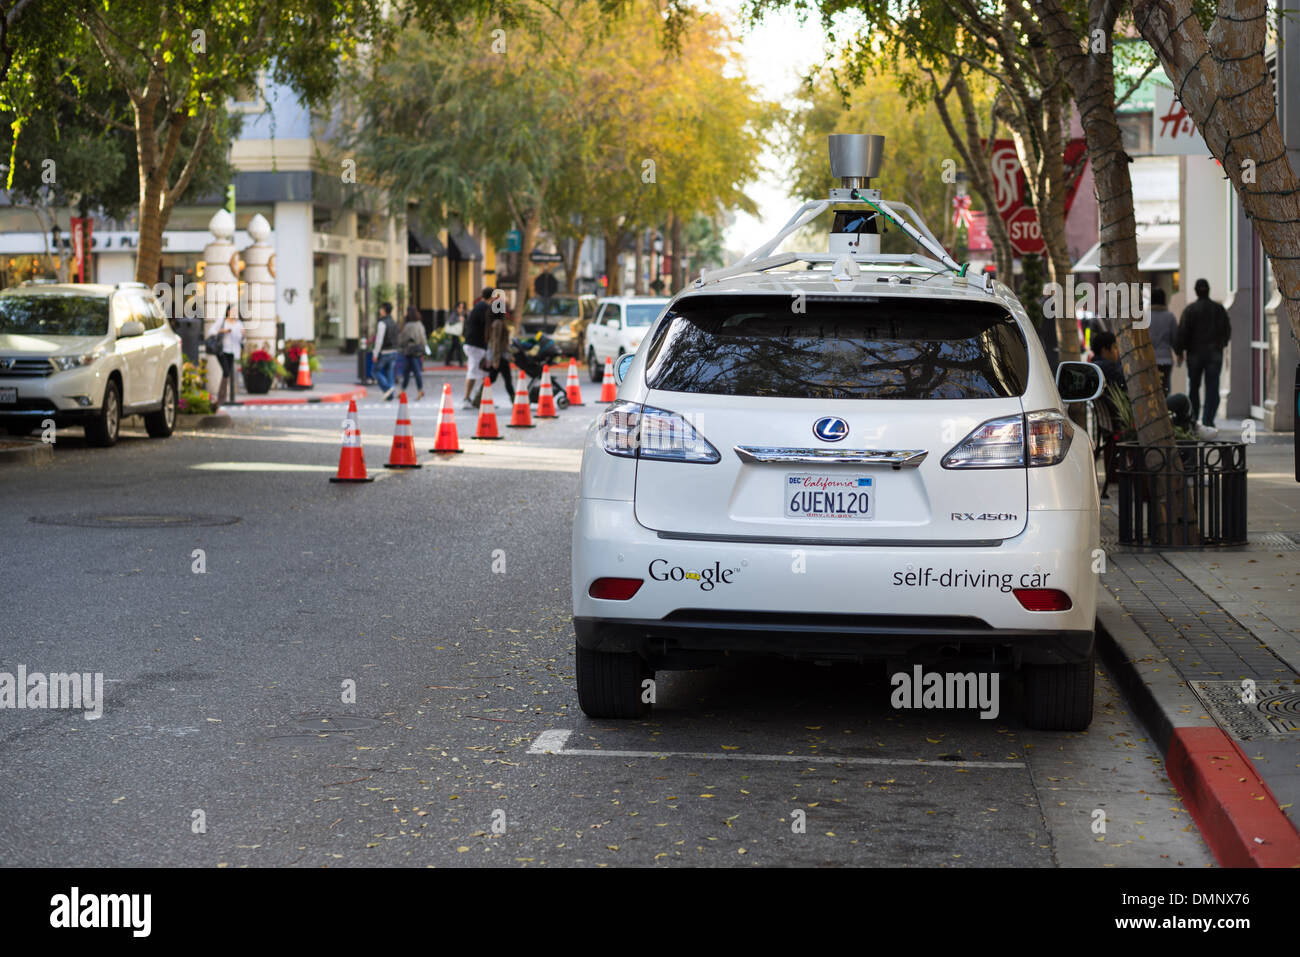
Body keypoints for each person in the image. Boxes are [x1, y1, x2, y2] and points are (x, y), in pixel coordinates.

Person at [1176, 278, 1231, 432]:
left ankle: (1193, 419)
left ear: (1195, 291)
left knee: (1194, 386)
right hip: (1214, 353)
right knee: (1212, 387)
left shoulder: (1190, 310)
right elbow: (1227, 330)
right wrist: (1222, 344)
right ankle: (1208, 420)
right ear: (1208, 290)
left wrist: (1180, 352)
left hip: (1194, 354)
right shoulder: (1219, 309)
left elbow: (1183, 332)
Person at [478, 301, 515, 405]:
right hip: (500, 357)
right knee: (506, 380)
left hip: (499, 356)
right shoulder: (498, 324)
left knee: (492, 379)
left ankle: (478, 398)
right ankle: (515, 401)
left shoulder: (494, 323)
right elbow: (496, 343)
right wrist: (496, 360)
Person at [462, 289, 492, 409]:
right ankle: (467, 398)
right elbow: (488, 324)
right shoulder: (483, 308)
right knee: (474, 371)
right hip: (476, 345)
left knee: (484, 373)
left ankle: (482, 399)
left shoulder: (479, 306)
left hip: (475, 344)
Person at [1147, 287, 1178, 396]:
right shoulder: (1170, 317)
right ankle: (1164, 411)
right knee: (1164, 389)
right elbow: (1175, 338)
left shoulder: (1145, 317)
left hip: (1148, 359)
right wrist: (1179, 354)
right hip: (1165, 359)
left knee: (1151, 389)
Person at [216, 304, 244, 406]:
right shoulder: (222, 321)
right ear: (228, 312)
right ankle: (221, 398)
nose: (235, 313)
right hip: (222, 351)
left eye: (236, 311)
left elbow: (241, 339)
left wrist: (243, 335)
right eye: (233, 311)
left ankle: (225, 398)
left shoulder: (239, 324)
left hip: (233, 351)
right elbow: (212, 331)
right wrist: (224, 331)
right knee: (226, 372)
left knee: (228, 373)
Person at [397, 305, 427, 399]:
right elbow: (423, 338)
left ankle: (403, 390)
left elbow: (402, 339)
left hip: (408, 351)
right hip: (417, 351)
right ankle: (419, 390)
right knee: (417, 371)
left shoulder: (407, 326)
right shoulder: (419, 325)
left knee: (407, 372)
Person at [371, 302, 400, 400]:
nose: (380, 311)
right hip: (394, 351)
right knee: (390, 372)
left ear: (384, 310)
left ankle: (387, 389)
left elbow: (379, 339)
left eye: (381, 308)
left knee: (375, 370)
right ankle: (390, 393)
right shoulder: (393, 322)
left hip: (385, 352)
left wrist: (375, 353)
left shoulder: (382, 323)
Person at [445, 301, 467, 366]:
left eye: (462, 307)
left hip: (457, 333)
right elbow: (450, 322)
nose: (461, 309)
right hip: (454, 333)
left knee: (453, 347)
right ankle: (461, 362)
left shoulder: (461, 314)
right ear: (457, 307)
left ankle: (447, 360)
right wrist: (458, 319)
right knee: (458, 347)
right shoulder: (455, 314)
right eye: (460, 307)